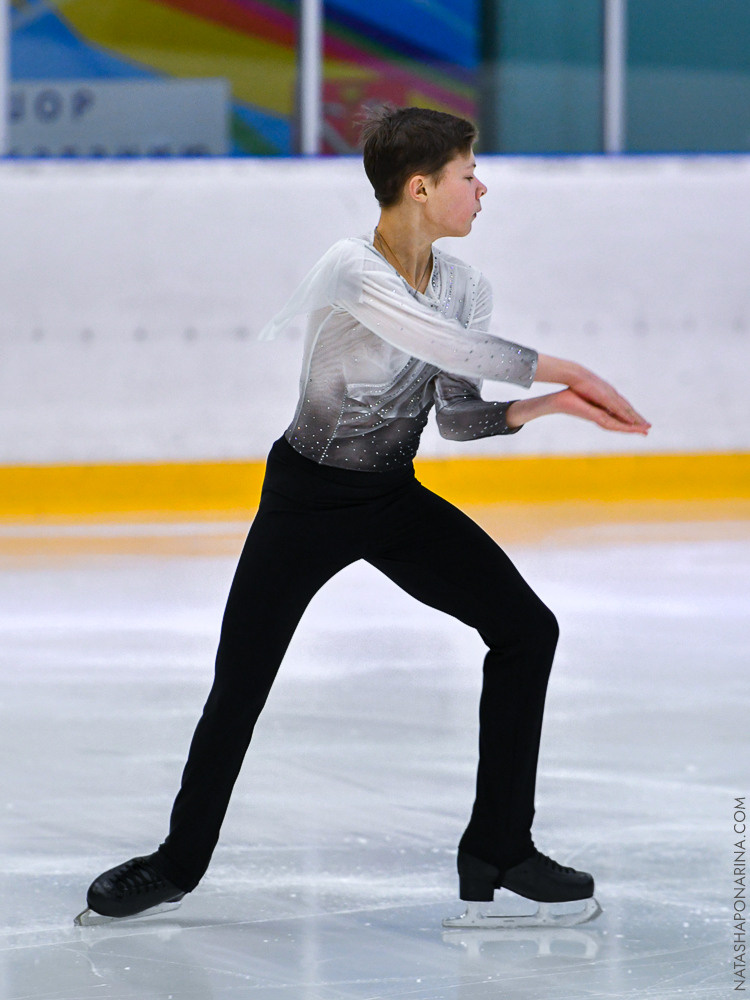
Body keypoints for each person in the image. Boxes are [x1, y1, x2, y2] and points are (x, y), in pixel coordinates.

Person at [77, 105, 649, 927]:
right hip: (306, 500)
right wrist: (571, 367)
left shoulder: (465, 285)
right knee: (240, 687)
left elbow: (458, 415)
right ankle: (176, 863)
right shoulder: (351, 268)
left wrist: (553, 404)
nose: (482, 190)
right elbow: (454, 351)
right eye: (467, 175)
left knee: (528, 630)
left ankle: (499, 844)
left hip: (391, 498)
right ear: (420, 188)